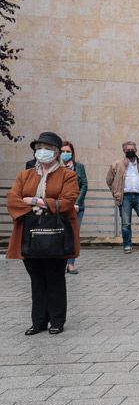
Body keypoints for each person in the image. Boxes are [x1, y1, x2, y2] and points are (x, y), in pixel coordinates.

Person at [7, 132, 80, 335]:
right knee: (36, 278)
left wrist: (40, 202)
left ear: (56, 153)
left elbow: (67, 201)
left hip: (56, 234)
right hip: (29, 234)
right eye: (39, 148)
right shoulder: (26, 174)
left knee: (55, 277)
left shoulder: (68, 175)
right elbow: (13, 199)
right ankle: (38, 321)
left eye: (47, 148)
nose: (42, 152)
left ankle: (56, 320)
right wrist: (32, 203)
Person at [106, 140, 139, 253]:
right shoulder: (116, 164)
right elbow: (109, 180)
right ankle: (127, 245)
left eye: (132, 149)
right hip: (124, 197)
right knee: (126, 223)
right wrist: (115, 192)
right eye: (127, 149)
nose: (130, 151)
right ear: (124, 151)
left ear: (136, 150)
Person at [59, 141, 87, 275]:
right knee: (60, 234)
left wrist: (77, 203)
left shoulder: (79, 167)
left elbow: (84, 185)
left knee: (73, 234)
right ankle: (59, 262)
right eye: (63, 151)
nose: (65, 154)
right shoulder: (56, 168)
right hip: (59, 207)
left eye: (68, 151)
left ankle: (70, 264)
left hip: (76, 207)